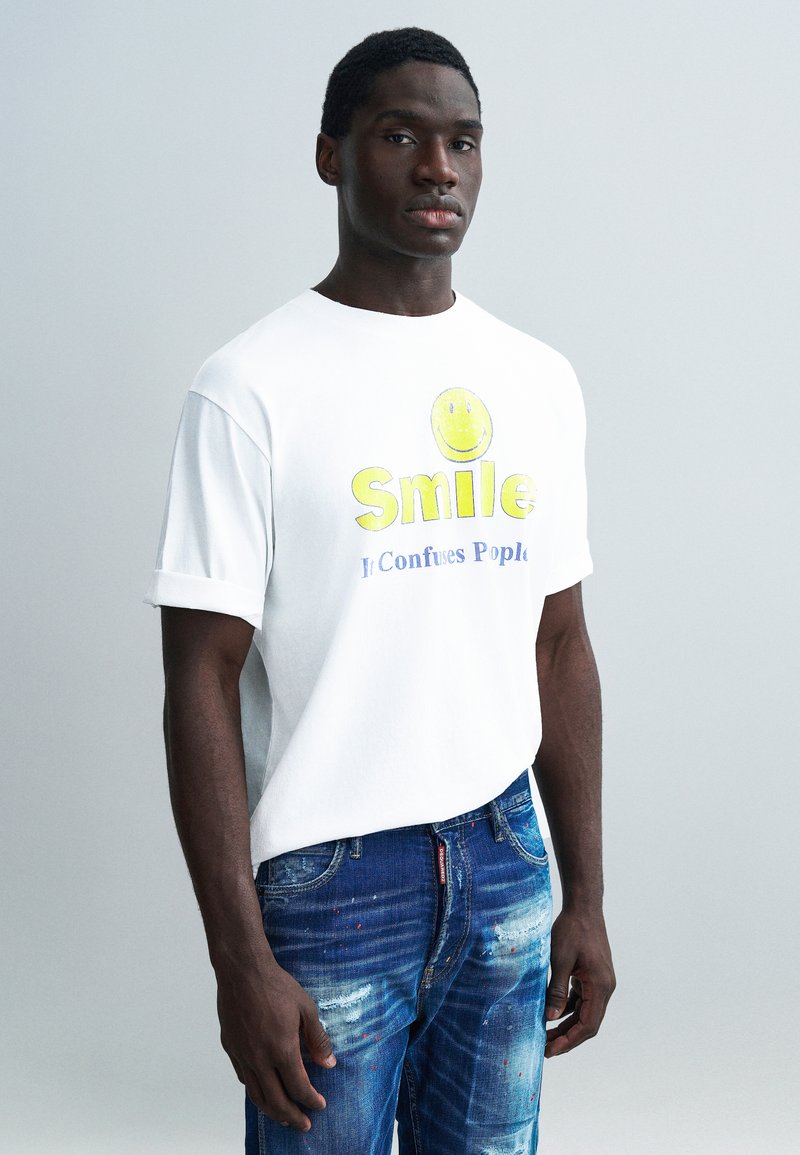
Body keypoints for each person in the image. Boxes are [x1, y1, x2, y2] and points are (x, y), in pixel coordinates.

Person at [146, 26, 615, 1154]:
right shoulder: (249, 388)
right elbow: (199, 676)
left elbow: (558, 643)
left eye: (463, 141)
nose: (438, 168)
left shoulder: (535, 379)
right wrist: (238, 956)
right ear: (331, 155)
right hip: (334, 877)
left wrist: (586, 896)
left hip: (505, 854)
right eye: (400, 136)